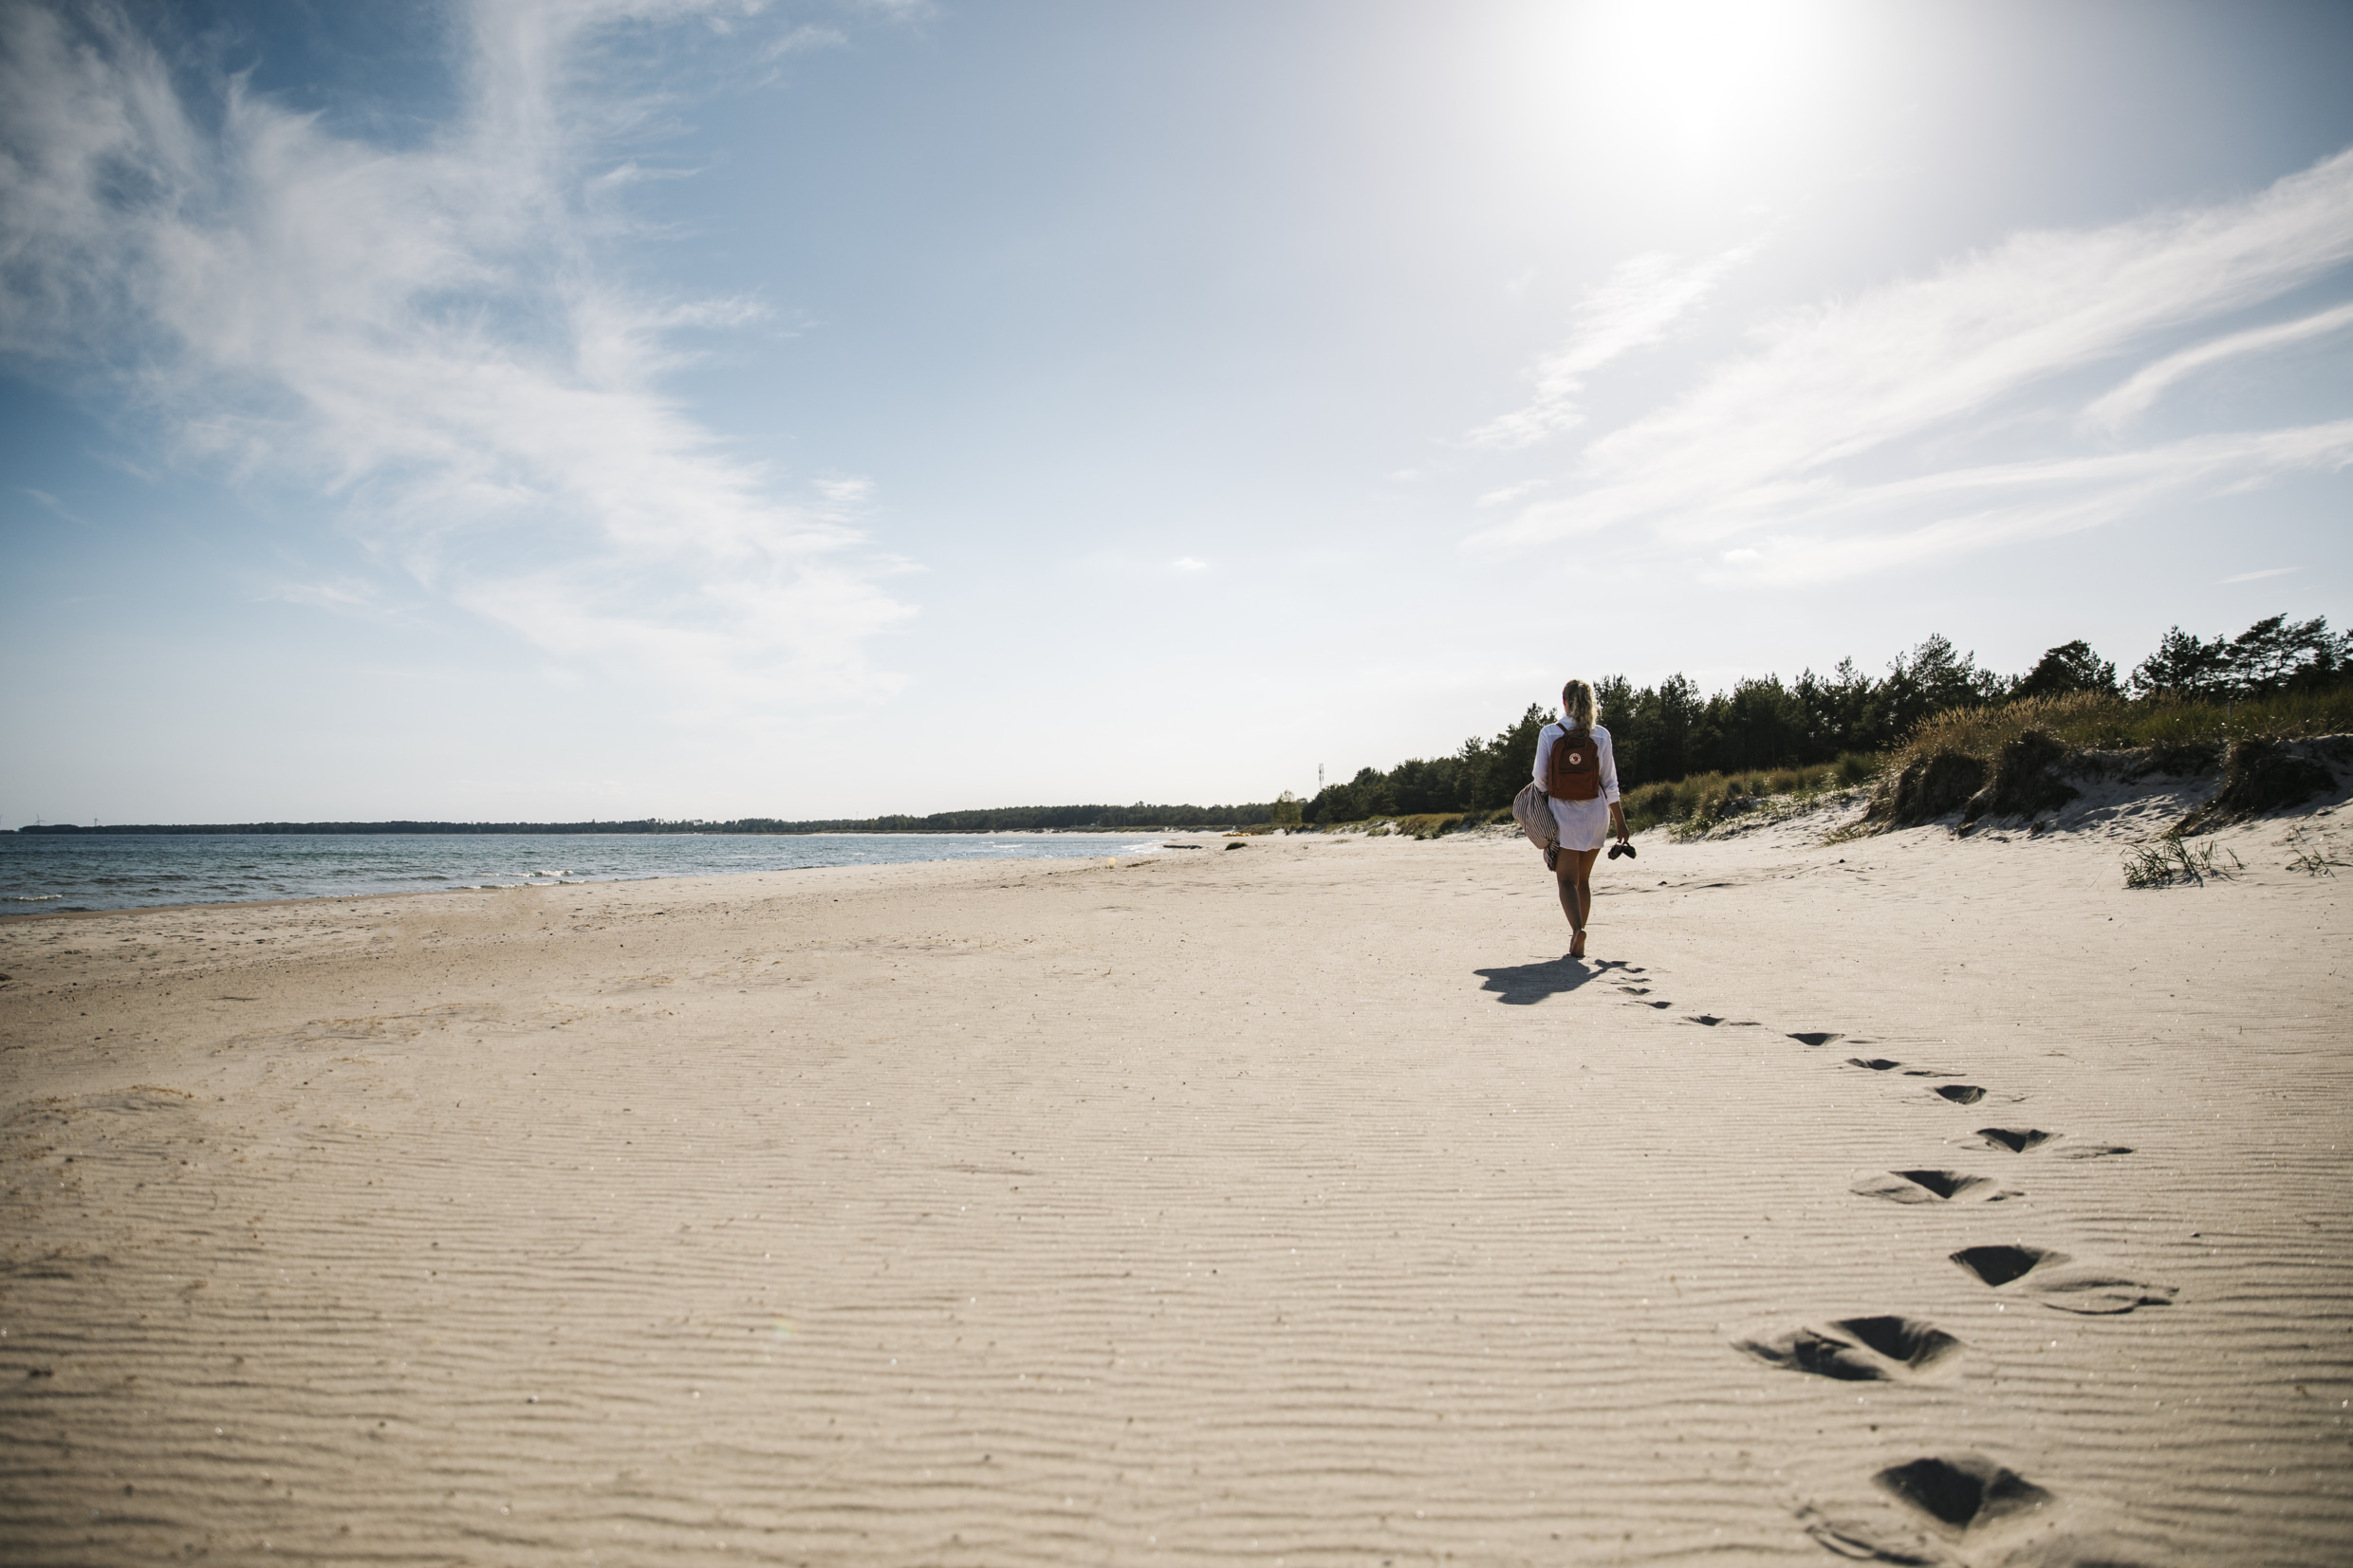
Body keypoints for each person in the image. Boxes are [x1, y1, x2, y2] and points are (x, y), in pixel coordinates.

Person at [1533, 677, 1628, 959]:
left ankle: (1577, 931)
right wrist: (1621, 822)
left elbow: (1539, 778)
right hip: (1597, 815)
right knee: (1583, 880)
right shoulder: (1601, 735)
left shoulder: (1550, 733)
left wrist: (1538, 800)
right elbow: (1610, 782)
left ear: (1564, 702)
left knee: (1565, 881)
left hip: (1564, 816)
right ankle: (1580, 930)